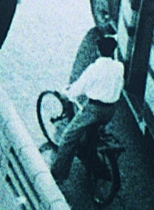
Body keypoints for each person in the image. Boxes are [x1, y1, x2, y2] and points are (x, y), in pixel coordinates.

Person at [49, 31, 123, 184]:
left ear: (98, 51)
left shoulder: (94, 68)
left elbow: (79, 87)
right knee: (92, 133)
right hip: (110, 110)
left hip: (95, 110)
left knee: (68, 138)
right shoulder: (119, 67)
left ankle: (58, 175)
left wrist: (67, 93)